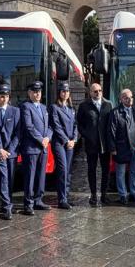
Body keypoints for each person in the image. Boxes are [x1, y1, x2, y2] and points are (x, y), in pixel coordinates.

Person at [76, 83, 112, 206]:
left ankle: (104, 194)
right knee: (91, 170)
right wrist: (86, 134)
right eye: (95, 91)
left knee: (105, 170)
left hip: (105, 143)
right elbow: (79, 123)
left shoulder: (108, 104)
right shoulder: (84, 105)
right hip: (91, 143)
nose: (98, 93)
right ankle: (93, 195)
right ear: (90, 92)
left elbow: (111, 124)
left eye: (100, 91)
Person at [20, 80, 52, 215]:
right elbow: (28, 127)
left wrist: (48, 138)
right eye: (34, 91)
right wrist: (41, 139)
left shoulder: (44, 108)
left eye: (39, 92)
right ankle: (28, 203)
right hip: (32, 148)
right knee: (30, 176)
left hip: (43, 147)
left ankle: (38, 200)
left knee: (41, 176)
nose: (37, 94)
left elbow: (50, 127)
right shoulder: (26, 107)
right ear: (29, 93)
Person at [106, 88, 135, 205]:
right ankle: (122, 194)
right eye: (126, 98)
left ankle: (133, 192)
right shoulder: (115, 112)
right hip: (121, 147)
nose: (129, 100)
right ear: (121, 99)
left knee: (134, 171)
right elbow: (111, 132)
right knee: (120, 172)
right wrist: (113, 148)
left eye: (131, 97)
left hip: (134, 146)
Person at [0, 83, 20, 220]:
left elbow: (18, 133)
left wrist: (10, 149)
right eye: (2, 96)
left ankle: (9, 202)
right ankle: (6, 206)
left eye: (7, 96)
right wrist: (0, 149)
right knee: (3, 179)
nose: (4, 99)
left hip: (11, 152)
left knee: (10, 179)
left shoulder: (15, 111)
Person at [49, 81, 78, 210]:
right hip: (60, 143)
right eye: (63, 91)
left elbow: (76, 126)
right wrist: (67, 140)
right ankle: (61, 199)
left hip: (70, 144)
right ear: (59, 93)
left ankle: (65, 196)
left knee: (69, 171)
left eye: (67, 91)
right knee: (62, 169)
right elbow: (56, 126)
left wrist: (74, 139)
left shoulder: (71, 109)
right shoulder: (54, 107)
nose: (65, 93)